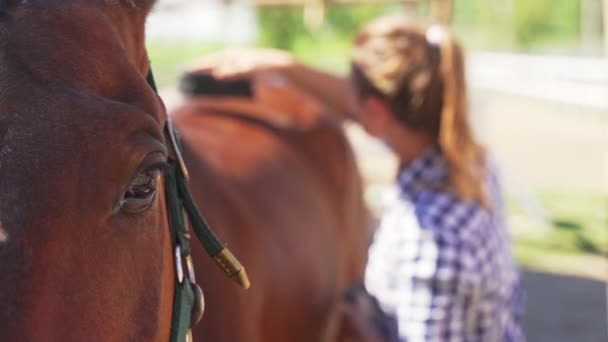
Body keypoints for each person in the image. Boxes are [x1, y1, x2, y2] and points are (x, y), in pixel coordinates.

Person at [191, 15, 524, 342]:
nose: (346, 103)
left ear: (377, 113)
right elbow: (378, 108)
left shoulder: (427, 248)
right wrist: (287, 66)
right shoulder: (471, 162)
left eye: (353, 94)